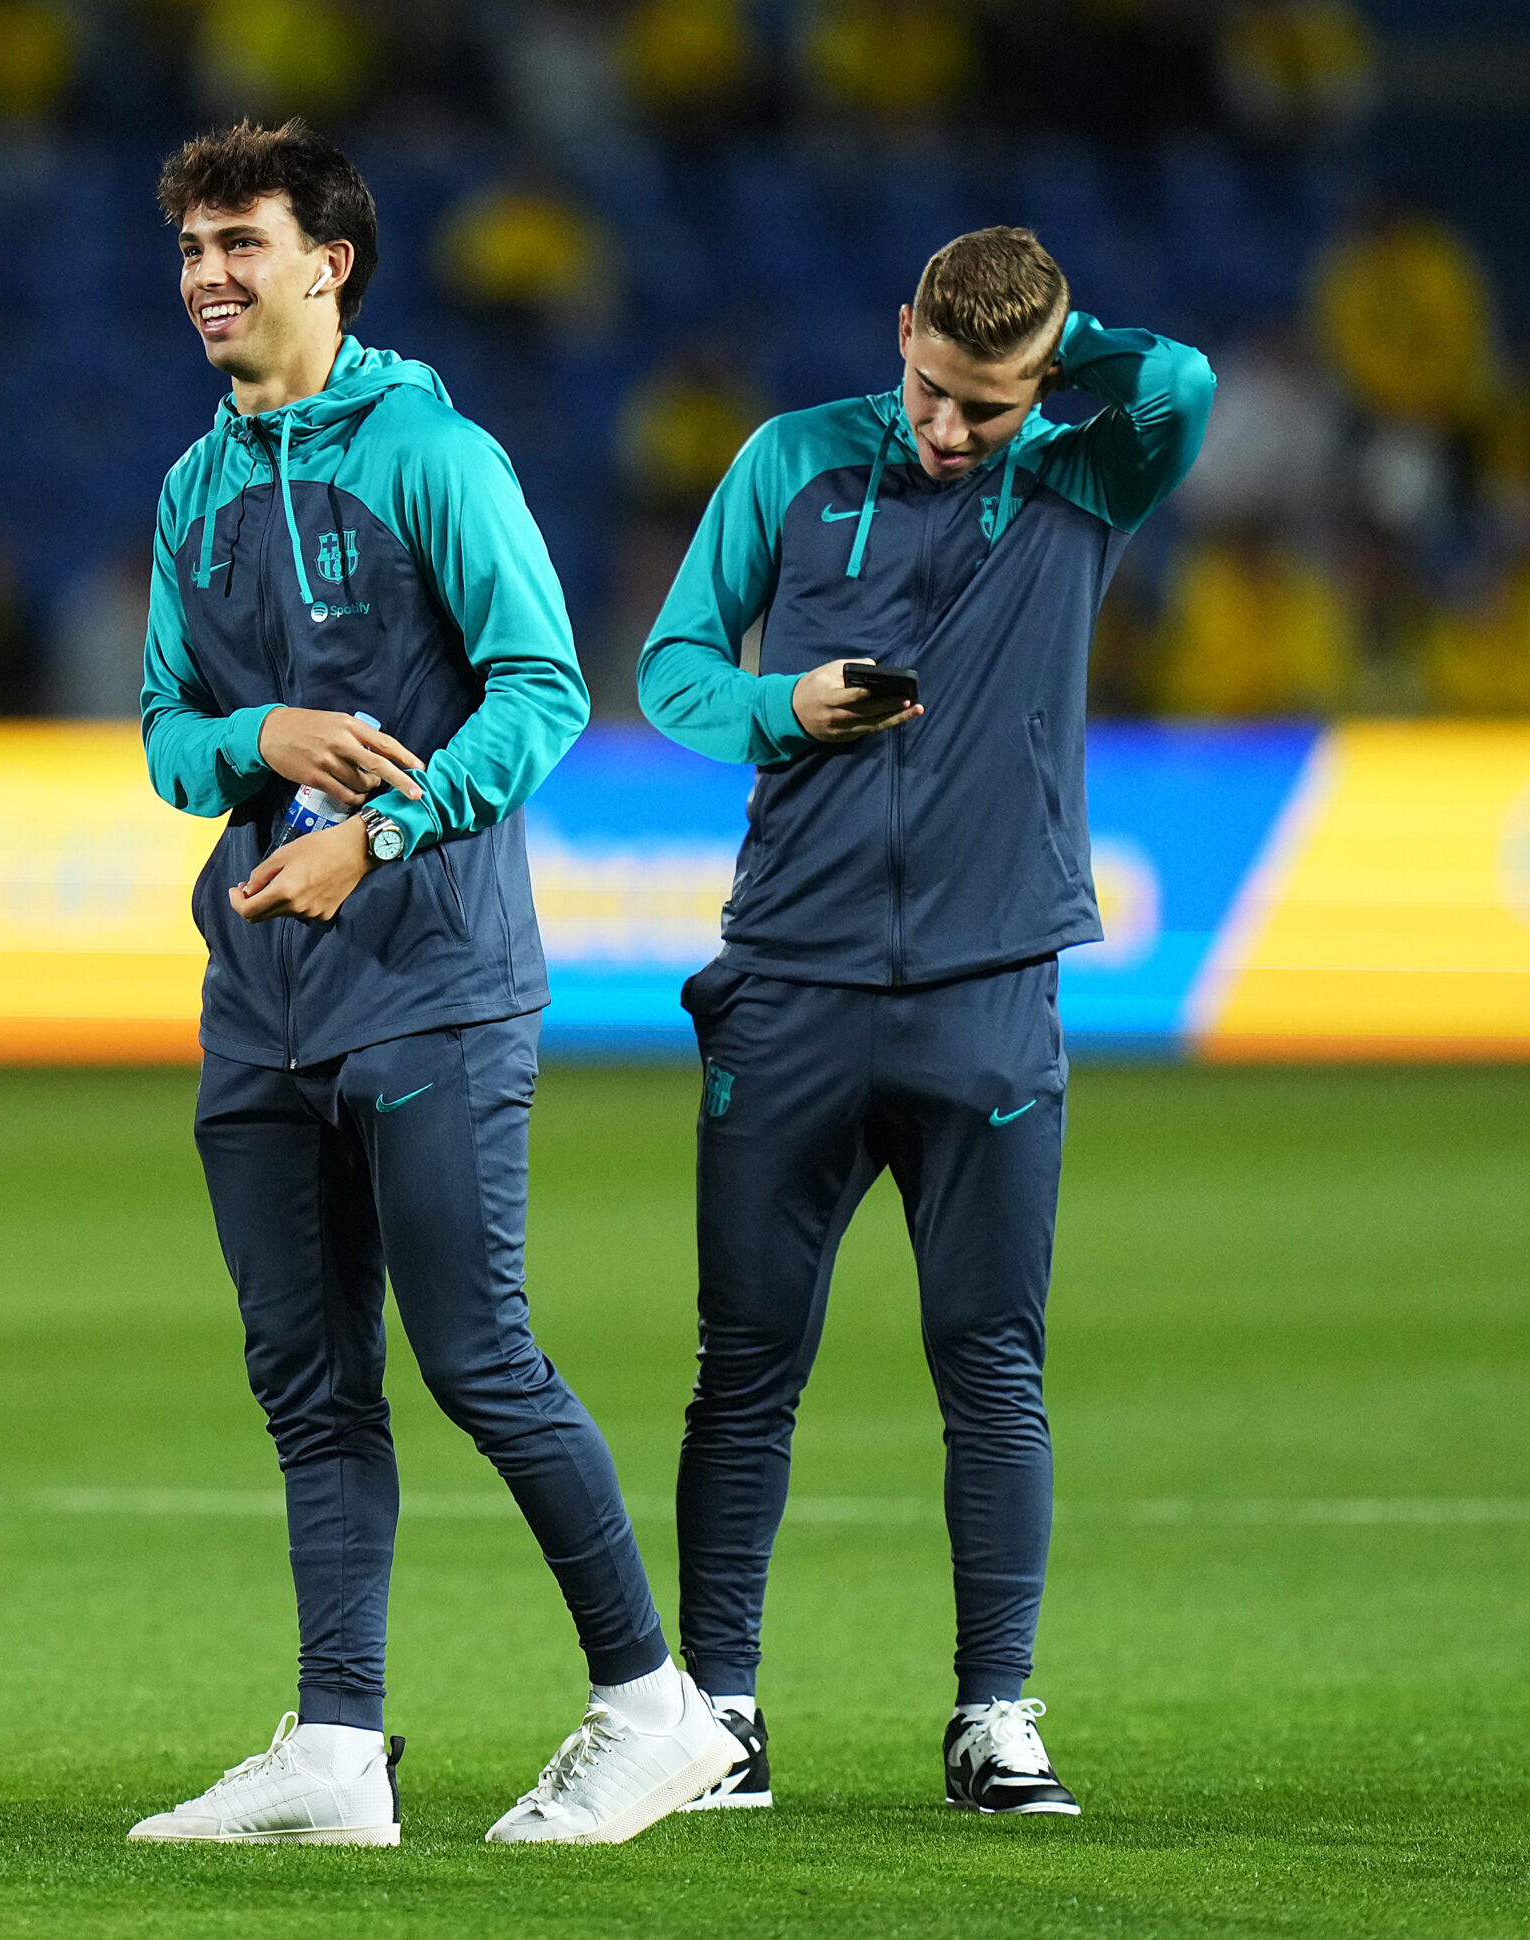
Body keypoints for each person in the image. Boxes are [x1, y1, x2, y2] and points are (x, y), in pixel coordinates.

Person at [130, 119, 741, 1849]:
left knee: (479, 1358)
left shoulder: (433, 455)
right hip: (257, 988)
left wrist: (376, 838)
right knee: (306, 1377)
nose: (207, 277)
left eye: (240, 244)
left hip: (432, 974)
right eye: (190, 249)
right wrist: (260, 737)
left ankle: (654, 1708)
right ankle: (336, 1748)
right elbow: (171, 740)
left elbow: (545, 692)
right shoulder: (189, 490)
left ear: (329, 266)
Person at [636, 227, 1216, 1814]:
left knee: (991, 1364)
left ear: (1040, 385)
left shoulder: (1087, 477)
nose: (953, 431)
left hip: (989, 993)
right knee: (744, 1365)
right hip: (793, 981)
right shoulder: (790, 461)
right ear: (896, 332)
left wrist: (1060, 355)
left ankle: (994, 1716)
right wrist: (785, 706)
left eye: (991, 405)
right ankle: (723, 1717)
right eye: (932, 388)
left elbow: (1183, 383)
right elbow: (672, 667)